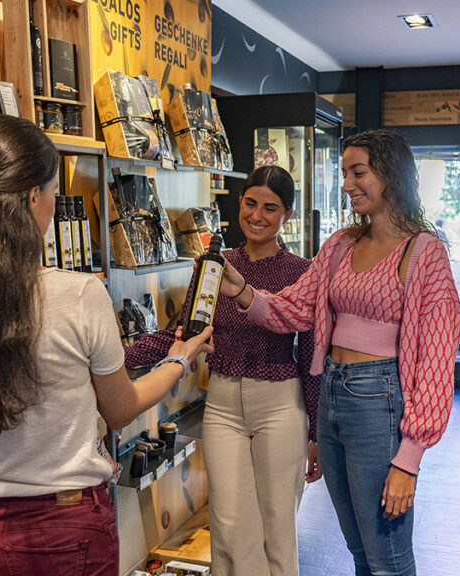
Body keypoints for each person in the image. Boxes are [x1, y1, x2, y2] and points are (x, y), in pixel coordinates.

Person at [0, 115, 213, 576]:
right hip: (61, 529)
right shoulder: (78, 296)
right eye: (55, 194)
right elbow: (119, 410)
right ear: (34, 196)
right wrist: (179, 358)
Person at [219, 130, 460, 576]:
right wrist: (243, 292)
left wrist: (409, 460)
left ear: (391, 175)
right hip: (332, 394)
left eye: (358, 172)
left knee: (386, 555)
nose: (347, 184)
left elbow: (436, 360)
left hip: (380, 401)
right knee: (358, 548)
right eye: (345, 173)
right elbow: (294, 307)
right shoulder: (340, 245)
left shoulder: (424, 253)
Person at [125, 165, 320, 576]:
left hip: (281, 405)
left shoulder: (301, 271)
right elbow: (183, 332)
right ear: (239, 202)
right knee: (229, 526)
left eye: (271, 208)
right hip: (223, 405)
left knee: (277, 525)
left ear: (287, 215)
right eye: (251, 203)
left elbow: (311, 356)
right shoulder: (213, 265)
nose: (258, 215)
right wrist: (119, 358)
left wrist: (317, 433)